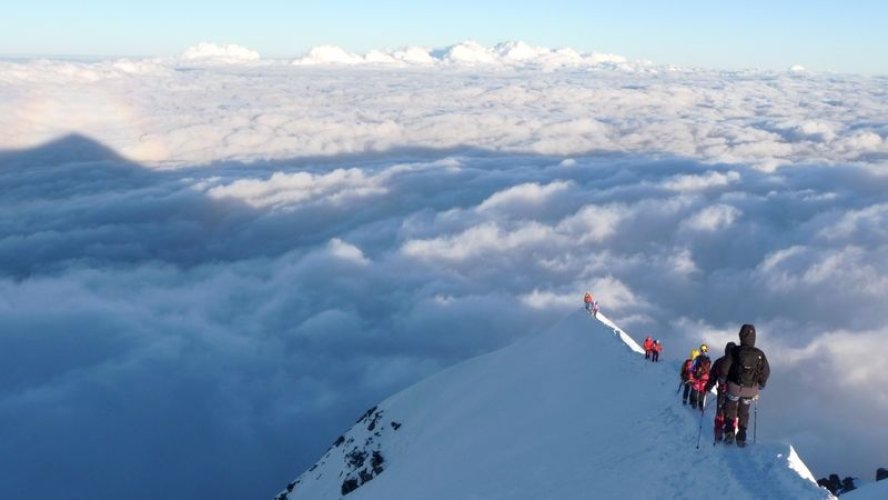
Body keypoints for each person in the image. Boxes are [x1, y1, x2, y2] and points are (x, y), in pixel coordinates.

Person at [718, 324, 770, 447]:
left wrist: (722, 379)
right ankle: (741, 436)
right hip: (751, 390)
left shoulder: (734, 351)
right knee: (744, 412)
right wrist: (761, 385)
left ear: (741, 336)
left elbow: (725, 367)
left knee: (730, 408)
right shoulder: (759, 354)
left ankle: (729, 432)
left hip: (734, 388)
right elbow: (766, 371)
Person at [705, 342, 737, 442]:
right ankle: (730, 432)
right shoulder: (738, 362)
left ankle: (719, 430)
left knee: (720, 410)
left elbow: (712, 376)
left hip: (722, 390)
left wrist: (708, 387)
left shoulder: (719, 361)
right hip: (735, 391)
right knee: (732, 411)